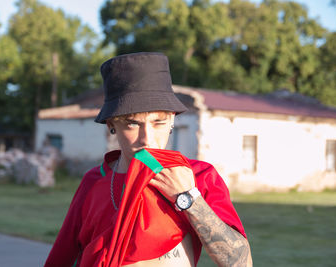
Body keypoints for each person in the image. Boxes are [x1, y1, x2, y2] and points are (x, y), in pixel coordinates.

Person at [44, 52, 252, 267]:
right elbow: (62, 258)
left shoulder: (198, 176)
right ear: (111, 125)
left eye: (158, 122)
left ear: (172, 119)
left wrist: (189, 199)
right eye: (132, 124)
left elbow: (241, 263)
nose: (147, 139)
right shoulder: (95, 181)